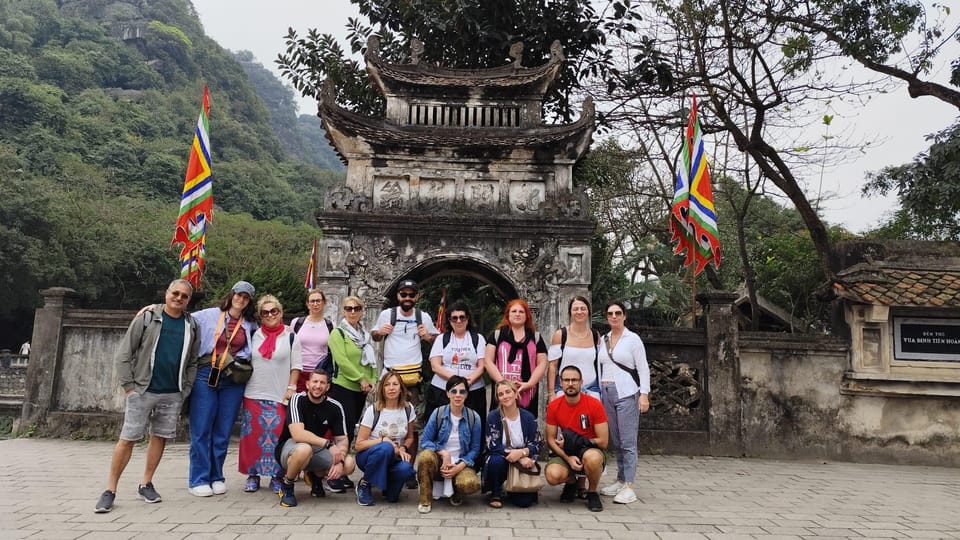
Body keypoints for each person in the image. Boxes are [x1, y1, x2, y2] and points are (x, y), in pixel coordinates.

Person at [94, 279, 201, 513]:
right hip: (142, 389)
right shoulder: (148, 318)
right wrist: (129, 387)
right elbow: (124, 354)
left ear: (188, 300)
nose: (179, 298)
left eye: (184, 296)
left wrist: (186, 388)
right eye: (175, 293)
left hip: (172, 392)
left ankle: (146, 483)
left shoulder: (191, 324)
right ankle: (110, 489)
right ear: (166, 293)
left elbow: (193, 361)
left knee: (159, 437)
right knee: (129, 438)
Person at [187, 281, 259, 497]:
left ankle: (216, 475)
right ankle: (198, 478)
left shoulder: (249, 324)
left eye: (246, 297)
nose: (241, 300)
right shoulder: (209, 315)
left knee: (224, 429)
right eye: (238, 295)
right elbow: (181, 316)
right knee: (202, 427)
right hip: (206, 372)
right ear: (231, 295)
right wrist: (153, 308)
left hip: (232, 376)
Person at [239, 295, 302, 494]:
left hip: (279, 393)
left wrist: (292, 387)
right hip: (254, 391)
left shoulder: (291, 337)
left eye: (274, 311)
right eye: (265, 312)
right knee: (252, 436)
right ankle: (253, 474)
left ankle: (276, 475)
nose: (270, 315)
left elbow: (296, 366)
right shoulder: (254, 334)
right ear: (260, 316)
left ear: (281, 313)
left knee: (276, 437)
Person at [274, 370, 357, 507]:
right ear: (307, 384)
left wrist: (339, 461)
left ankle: (315, 477)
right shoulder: (297, 399)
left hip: (317, 449)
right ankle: (287, 484)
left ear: (327, 387)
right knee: (304, 449)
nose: (318, 386)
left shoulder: (335, 406)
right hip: (290, 447)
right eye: (315, 382)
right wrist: (328, 444)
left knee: (348, 464)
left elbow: (342, 440)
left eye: (322, 383)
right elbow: (298, 434)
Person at [597, 300, 650, 505]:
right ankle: (620, 480)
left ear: (624, 316)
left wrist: (644, 394)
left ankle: (629, 484)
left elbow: (643, 368)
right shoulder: (604, 339)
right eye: (610, 313)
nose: (614, 316)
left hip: (627, 392)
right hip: (606, 391)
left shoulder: (632, 339)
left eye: (618, 313)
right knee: (616, 440)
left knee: (628, 441)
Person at [326, 295, 378, 490]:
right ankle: (334, 472)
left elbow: (370, 360)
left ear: (362, 310)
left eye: (357, 308)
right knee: (342, 431)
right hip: (344, 386)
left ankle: (344, 470)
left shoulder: (364, 335)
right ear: (343, 311)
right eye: (349, 308)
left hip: (361, 388)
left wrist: (372, 380)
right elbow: (342, 361)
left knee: (352, 429)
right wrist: (361, 379)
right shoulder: (338, 334)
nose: (353, 311)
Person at [544, 365, 609, 512]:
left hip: (589, 449)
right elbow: (550, 440)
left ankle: (592, 492)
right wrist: (568, 458)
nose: (570, 383)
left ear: (581, 382)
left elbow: (604, 441)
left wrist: (580, 442)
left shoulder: (594, 404)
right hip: (566, 450)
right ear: (561, 383)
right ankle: (572, 482)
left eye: (574, 380)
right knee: (552, 475)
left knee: (592, 459)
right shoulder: (554, 406)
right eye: (567, 380)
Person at [415, 376, 482, 513]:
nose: (458, 395)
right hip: (439, 462)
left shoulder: (474, 417)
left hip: (460, 462)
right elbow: (425, 441)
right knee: (425, 457)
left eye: (462, 392)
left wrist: (459, 466)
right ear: (447, 393)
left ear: (467, 394)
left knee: (470, 484)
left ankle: (456, 490)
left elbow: (475, 449)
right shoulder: (438, 413)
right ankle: (425, 499)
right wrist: (443, 453)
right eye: (453, 391)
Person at [354, 370, 417, 506]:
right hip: (369, 456)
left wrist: (403, 447)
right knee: (385, 448)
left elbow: (410, 437)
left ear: (401, 388)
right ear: (382, 389)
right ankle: (365, 484)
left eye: (395, 384)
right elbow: (358, 445)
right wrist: (382, 440)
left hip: (394, 458)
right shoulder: (374, 410)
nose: (391, 388)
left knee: (407, 469)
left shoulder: (408, 408)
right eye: (387, 385)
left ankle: (387, 484)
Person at [371, 279, 439, 404]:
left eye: (411, 295)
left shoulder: (423, 317)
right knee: (386, 411)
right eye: (403, 294)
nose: (407, 298)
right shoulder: (387, 315)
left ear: (417, 297)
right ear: (398, 296)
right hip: (390, 373)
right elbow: (375, 336)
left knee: (412, 416)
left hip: (412, 377)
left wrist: (428, 337)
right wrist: (380, 332)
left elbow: (439, 342)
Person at [482, 379, 543, 509]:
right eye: (501, 394)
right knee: (495, 461)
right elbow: (492, 445)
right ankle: (495, 492)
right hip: (502, 458)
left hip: (523, 461)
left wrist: (522, 453)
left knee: (524, 503)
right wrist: (518, 456)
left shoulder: (528, 417)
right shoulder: (493, 416)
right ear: (498, 398)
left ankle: (513, 488)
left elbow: (537, 443)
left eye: (508, 392)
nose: (505, 396)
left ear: (516, 394)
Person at [484, 299, 547, 417]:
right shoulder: (497, 335)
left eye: (521, 312)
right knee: (500, 426)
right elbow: (488, 361)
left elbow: (542, 363)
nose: (517, 314)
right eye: (514, 311)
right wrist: (503, 384)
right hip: (502, 391)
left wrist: (529, 384)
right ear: (508, 314)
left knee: (526, 427)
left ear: (527, 315)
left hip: (527, 392)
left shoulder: (536, 337)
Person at [427, 300, 487, 419]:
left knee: (474, 425)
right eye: (454, 318)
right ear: (449, 320)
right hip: (443, 391)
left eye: (462, 317)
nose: (458, 321)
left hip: (472, 391)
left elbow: (482, 366)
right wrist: (456, 382)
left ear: (468, 318)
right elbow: (435, 365)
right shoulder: (441, 339)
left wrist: (467, 382)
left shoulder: (478, 339)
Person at [547, 296, 601, 403]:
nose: (579, 312)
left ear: (588, 312)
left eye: (583, 308)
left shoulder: (596, 335)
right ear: (570, 312)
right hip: (565, 391)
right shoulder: (560, 335)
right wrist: (551, 392)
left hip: (592, 391)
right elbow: (553, 366)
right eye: (575, 309)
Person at [290, 289, 334, 391]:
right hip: (298, 372)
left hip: (320, 373)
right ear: (307, 304)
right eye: (312, 301)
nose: (315, 304)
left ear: (324, 303)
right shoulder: (297, 323)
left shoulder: (330, 325)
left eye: (318, 301)